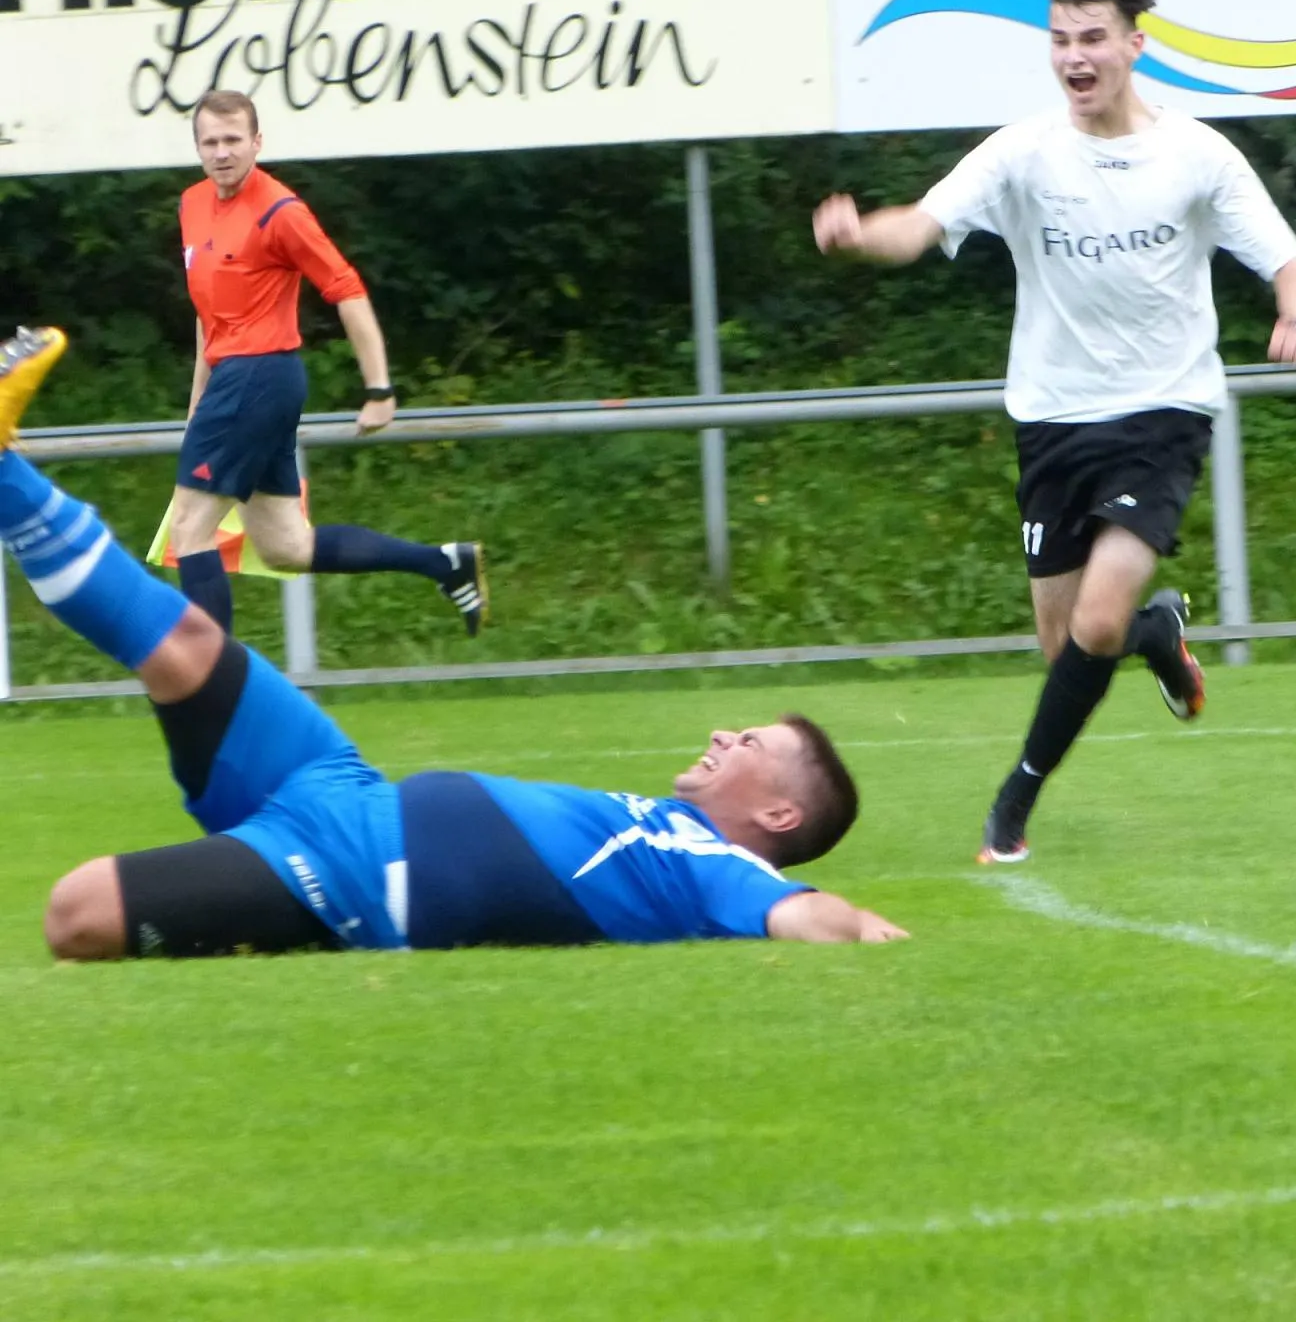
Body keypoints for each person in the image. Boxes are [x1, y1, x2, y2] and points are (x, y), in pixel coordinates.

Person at [3, 329, 906, 958]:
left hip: (350, 874)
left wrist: (868, 929)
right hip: (337, 784)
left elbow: (805, 918)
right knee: (189, 642)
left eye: (750, 745)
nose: (722, 735)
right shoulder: (672, 832)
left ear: (779, 817)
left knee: (75, 913)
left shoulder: (720, 869)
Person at [814, 0, 1296, 865]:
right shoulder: (1022, 153)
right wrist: (861, 236)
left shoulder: (1198, 154)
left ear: (1135, 45)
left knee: (1094, 622)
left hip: (1163, 415)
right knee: (1068, 646)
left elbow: (1289, 263)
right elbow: (919, 227)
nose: (1074, 58)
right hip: (1052, 419)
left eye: (1092, 39)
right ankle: (1155, 633)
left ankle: (1012, 806)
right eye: (1060, 40)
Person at [172, 89, 486, 637]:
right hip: (239, 382)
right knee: (286, 548)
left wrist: (379, 389)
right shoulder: (193, 204)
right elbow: (208, 309)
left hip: (259, 376)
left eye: (233, 140)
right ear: (197, 147)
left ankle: (212, 679)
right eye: (210, 142)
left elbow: (347, 289)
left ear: (257, 142)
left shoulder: (281, 212)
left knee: (189, 530)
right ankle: (444, 564)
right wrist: (199, 395)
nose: (222, 152)